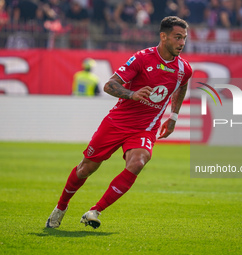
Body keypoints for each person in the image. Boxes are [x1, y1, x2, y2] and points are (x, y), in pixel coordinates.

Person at [45, 16, 192, 229]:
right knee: (86, 168)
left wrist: (174, 117)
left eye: (184, 38)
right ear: (163, 36)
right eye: (178, 37)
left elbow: (182, 86)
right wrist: (132, 94)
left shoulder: (184, 69)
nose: (182, 43)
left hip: (145, 128)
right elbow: (109, 85)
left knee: (138, 162)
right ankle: (61, 207)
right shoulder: (142, 58)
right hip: (117, 123)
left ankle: (94, 211)